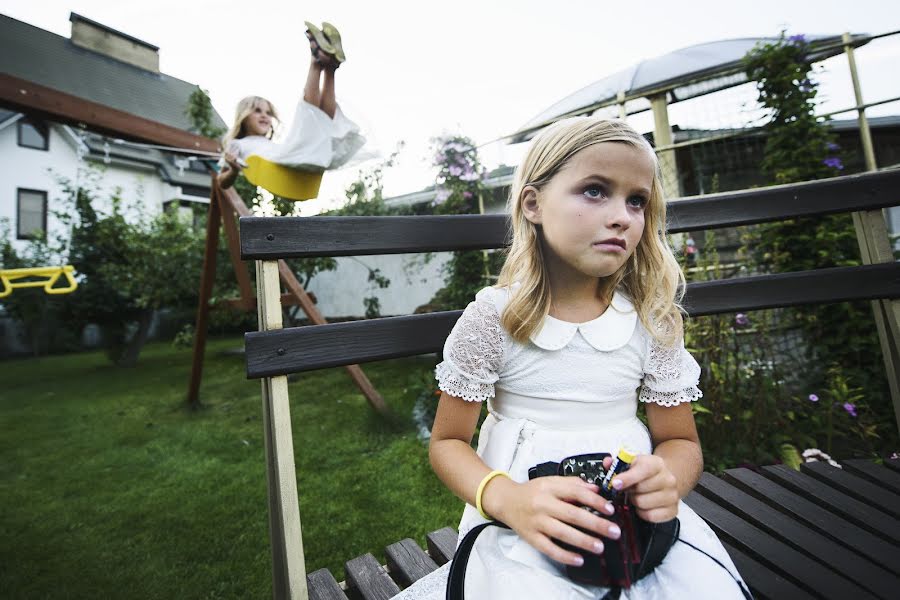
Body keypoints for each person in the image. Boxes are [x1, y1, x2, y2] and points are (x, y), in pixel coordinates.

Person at [393, 118, 747, 599]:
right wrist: (509, 500)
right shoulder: (493, 319)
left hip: (633, 530)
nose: (622, 215)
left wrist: (668, 481)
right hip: (517, 532)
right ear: (533, 204)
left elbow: (681, 441)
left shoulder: (652, 322)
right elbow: (448, 442)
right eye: (596, 190)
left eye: (636, 200)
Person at [217, 22, 365, 190]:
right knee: (312, 122)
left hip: (292, 160)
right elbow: (222, 182)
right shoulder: (237, 145)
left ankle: (330, 68)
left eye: (268, 112)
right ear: (242, 117)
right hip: (286, 163)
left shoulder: (270, 144)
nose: (265, 116)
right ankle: (318, 62)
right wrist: (233, 171)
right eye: (257, 111)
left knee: (321, 126)